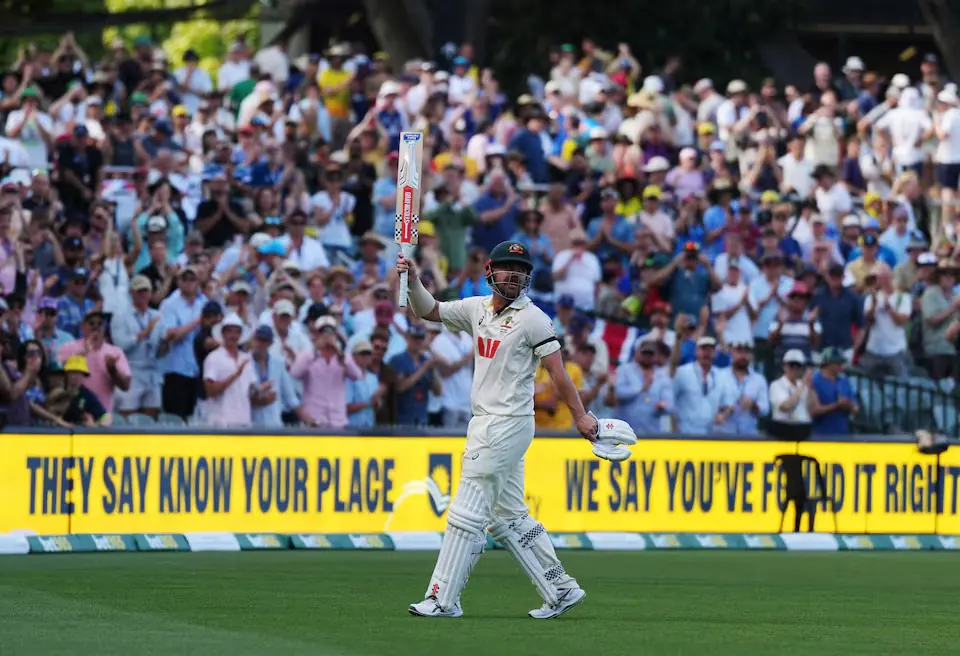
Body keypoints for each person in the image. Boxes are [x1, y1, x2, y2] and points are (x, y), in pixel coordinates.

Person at [399, 239, 630, 620]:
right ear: (490, 271)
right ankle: (561, 588)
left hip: (507, 424)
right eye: (508, 267)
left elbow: (558, 373)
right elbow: (429, 311)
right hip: (485, 422)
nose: (515, 275)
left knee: (465, 512)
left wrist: (581, 416)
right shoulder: (475, 308)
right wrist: (413, 281)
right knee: (507, 517)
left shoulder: (534, 318)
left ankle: (442, 599)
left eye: (521, 270)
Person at [202, 313, 256, 427]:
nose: (233, 335)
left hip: (244, 421)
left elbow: (250, 391)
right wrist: (235, 375)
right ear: (223, 333)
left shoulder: (246, 358)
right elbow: (211, 391)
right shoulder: (214, 357)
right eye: (229, 331)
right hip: (221, 423)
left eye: (237, 332)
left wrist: (260, 391)